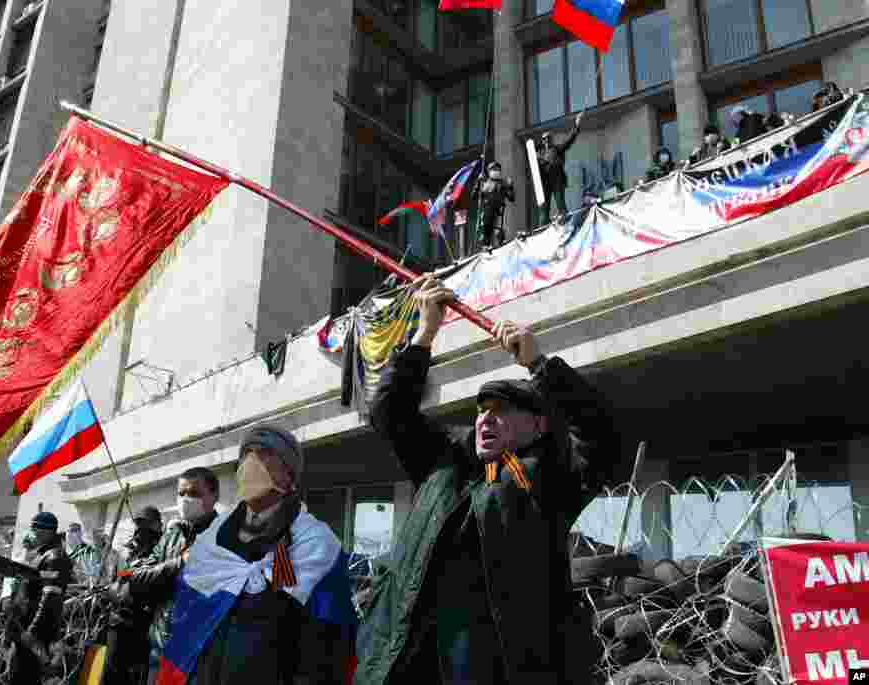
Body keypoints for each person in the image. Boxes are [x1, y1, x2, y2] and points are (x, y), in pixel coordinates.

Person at [354, 276, 618, 685]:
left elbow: (601, 438)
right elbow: (389, 412)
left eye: (502, 409)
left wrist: (540, 366)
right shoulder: (445, 462)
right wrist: (424, 334)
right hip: (408, 660)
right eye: (480, 409)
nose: (485, 418)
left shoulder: (548, 479)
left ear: (538, 425)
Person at [158, 425, 357, 684]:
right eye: (246, 455)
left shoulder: (317, 546)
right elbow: (185, 622)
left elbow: (329, 649)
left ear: (288, 474)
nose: (250, 464)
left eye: (263, 455)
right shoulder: (211, 541)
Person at [126, 467, 221, 681]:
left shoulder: (223, 536)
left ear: (214, 496)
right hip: (159, 649)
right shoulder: (172, 535)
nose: (186, 499)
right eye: (181, 493)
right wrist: (179, 563)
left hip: (198, 656)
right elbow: (137, 578)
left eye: (195, 493)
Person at [7, 511, 73, 685]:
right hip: (23, 629)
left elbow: (50, 596)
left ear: (47, 531)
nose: (33, 533)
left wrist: (33, 631)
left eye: (36, 529)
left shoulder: (54, 557)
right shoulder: (41, 555)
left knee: (24, 677)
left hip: (33, 633)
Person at [102, 506, 165, 685]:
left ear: (157, 525)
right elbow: (116, 579)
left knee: (137, 675)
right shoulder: (127, 551)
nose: (140, 529)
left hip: (144, 623)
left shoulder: (162, 550)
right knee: (111, 674)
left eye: (146, 524)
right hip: (118, 620)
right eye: (138, 524)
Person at [535, 111, 583, 226]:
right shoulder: (539, 154)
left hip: (557, 179)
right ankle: (544, 223)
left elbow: (569, 140)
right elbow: (535, 168)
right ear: (542, 141)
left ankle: (564, 217)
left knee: (560, 202)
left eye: (548, 138)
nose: (547, 141)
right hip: (545, 181)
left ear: (551, 139)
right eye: (544, 139)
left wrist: (576, 125)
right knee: (544, 206)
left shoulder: (557, 149)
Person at [475, 161, 516, 251]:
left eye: (497, 169)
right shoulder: (484, 183)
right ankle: (486, 246)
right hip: (487, 211)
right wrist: (478, 183)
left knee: (499, 232)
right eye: (493, 169)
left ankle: (500, 244)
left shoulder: (503, 183)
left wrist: (510, 187)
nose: (496, 171)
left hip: (498, 211)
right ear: (489, 171)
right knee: (486, 231)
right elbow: (474, 197)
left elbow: (511, 198)